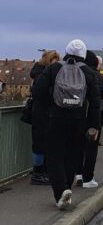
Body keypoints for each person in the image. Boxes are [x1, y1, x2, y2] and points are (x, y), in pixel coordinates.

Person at [31, 40, 101, 210]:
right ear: (83, 54)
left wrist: (51, 106)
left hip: (56, 118)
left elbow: (38, 91)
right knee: (72, 155)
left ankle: (60, 192)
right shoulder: (88, 72)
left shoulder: (54, 68)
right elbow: (95, 102)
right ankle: (67, 187)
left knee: (54, 156)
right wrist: (94, 126)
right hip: (79, 120)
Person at [77, 50, 103, 189]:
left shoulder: (75, 74)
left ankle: (77, 173)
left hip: (76, 115)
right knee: (91, 147)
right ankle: (88, 178)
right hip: (94, 116)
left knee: (77, 145)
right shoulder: (101, 77)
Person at [28, 50, 60, 185]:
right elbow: (41, 93)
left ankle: (41, 171)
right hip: (42, 113)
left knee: (42, 144)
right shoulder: (44, 75)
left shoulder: (38, 73)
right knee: (40, 144)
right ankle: (38, 173)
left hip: (41, 112)